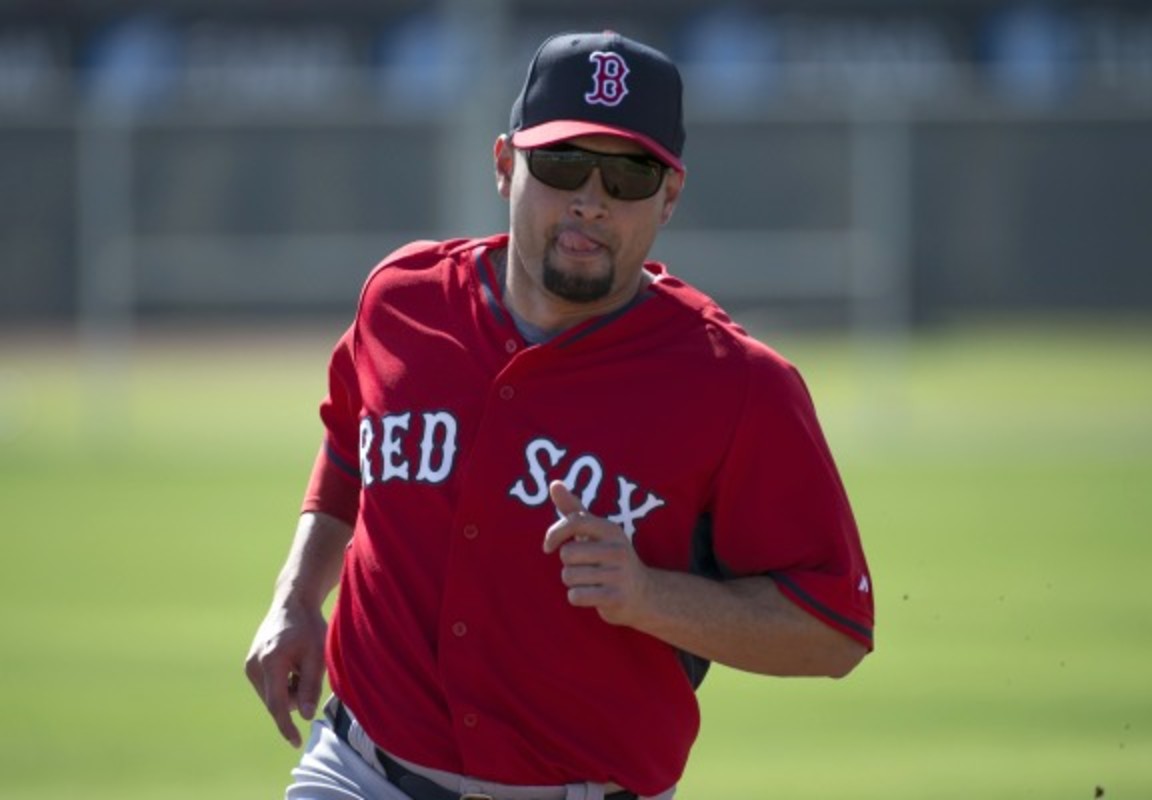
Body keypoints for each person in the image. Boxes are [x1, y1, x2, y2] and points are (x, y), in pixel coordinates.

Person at [245, 30, 874, 800]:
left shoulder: (735, 384)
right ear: (505, 164)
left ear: (670, 196)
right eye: (562, 163)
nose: (591, 199)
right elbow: (351, 448)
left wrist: (650, 597)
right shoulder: (402, 302)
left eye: (629, 174)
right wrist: (297, 596)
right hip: (359, 771)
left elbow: (834, 629)